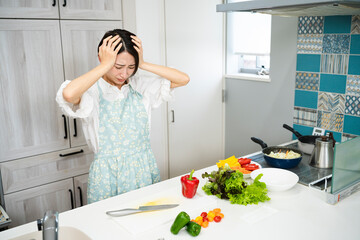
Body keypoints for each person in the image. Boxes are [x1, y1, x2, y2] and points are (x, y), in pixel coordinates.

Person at [56, 29, 189, 203]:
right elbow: (69, 94)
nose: (124, 74)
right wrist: (104, 65)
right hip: (107, 176)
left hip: (143, 170)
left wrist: (143, 63)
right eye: (118, 66)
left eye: (131, 67)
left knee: (145, 221)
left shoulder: (140, 85)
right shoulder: (92, 91)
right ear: (102, 59)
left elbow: (183, 79)